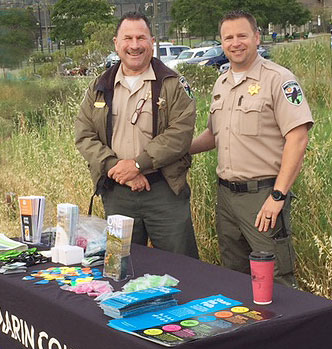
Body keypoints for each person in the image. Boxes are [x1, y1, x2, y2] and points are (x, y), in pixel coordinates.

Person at [190, 10, 313, 286]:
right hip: (227, 199)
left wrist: (278, 196)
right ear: (221, 43)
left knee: (276, 279)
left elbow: (298, 137)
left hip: (263, 198)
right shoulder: (221, 83)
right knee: (235, 279)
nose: (236, 43)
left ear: (257, 37)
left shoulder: (278, 79)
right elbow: (213, 134)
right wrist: (178, 148)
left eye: (242, 35)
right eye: (228, 37)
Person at [75, 11, 198, 258]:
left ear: (152, 41)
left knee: (182, 267)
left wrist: (139, 165)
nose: (134, 45)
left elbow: (180, 133)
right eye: (127, 38)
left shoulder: (172, 83)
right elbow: (84, 135)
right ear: (116, 43)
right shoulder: (99, 86)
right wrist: (118, 168)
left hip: (164, 192)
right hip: (117, 193)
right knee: (121, 266)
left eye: (141, 38)